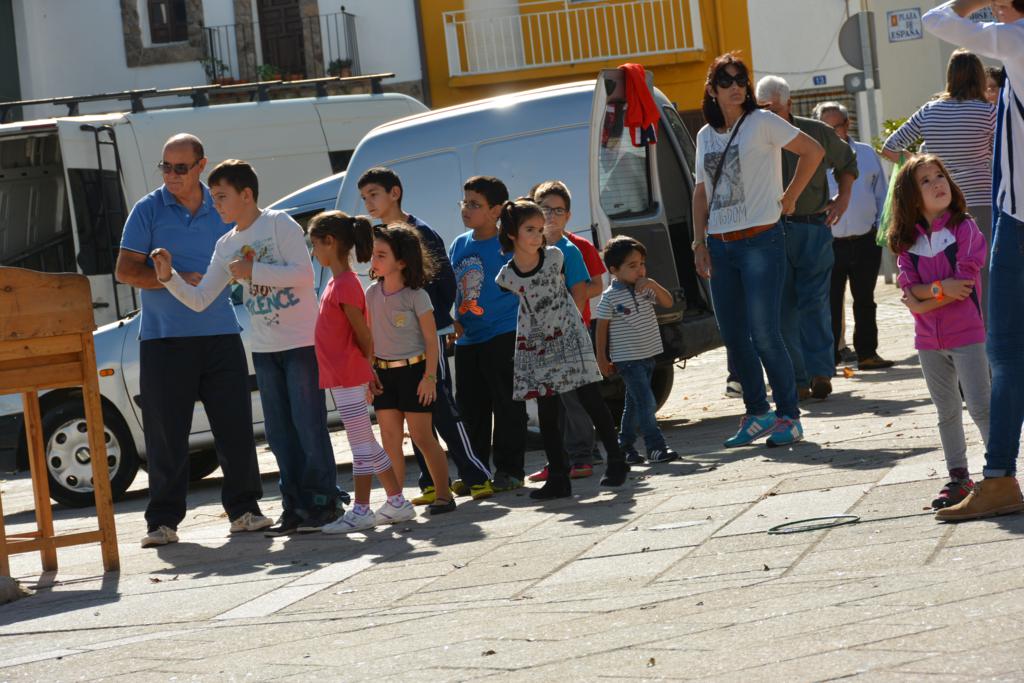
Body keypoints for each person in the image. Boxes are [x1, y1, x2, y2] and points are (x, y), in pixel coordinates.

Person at [151, 159, 342, 535]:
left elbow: (305, 276)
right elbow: (201, 299)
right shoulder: (225, 244)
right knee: (279, 434)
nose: (216, 204)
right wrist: (168, 277)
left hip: (301, 343)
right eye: (213, 197)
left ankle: (324, 504)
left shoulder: (279, 223)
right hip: (265, 350)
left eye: (222, 196)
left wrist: (254, 271)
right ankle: (294, 507)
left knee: (308, 426)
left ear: (247, 194)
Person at [116, 135, 270, 548]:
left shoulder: (222, 207)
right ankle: (162, 522)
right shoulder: (147, 209)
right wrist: (171, 280)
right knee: (166, 436)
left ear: (201, 165)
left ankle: (245, 511)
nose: (171, 175)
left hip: (220, 334)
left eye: (180, 168)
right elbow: (125, 271)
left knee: (235, 428)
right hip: (164, 339)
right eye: (165, 166)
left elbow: (251, 248)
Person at [692, 54, 824, 448]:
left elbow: (813, 151)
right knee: (734, 337)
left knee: (765, 334)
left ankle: (789, 416)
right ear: (712, 90)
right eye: (726, 80)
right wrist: (699, 242)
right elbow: (700, 191)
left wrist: (791, 196)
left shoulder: (762, 121)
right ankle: (757, 412)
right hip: (720, 244)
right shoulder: (705, 135)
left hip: (760, 241)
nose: (736, 86)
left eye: (741, 80)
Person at [924, 0, 1024, 521]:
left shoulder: (1017, 39)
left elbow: (936, 20)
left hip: (1019, 220)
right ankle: (998, 476)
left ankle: (1000, 479)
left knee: (1005, 353)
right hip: (1010, 215)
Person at [357, 167, 493, 505]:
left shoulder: (422, 231)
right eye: (363, 197)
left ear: (395, 193)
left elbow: (444, 281)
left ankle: (476, 474)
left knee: (441, 407)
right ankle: (430, 482)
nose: (368, 202)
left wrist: (439, 321)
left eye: (373, 194)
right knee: (413, 418)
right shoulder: (378, 236)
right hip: (395, 355)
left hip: (427, 342)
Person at [495, 199, 630, 499]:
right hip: (537, 345)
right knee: (547, 412)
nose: (537, 235)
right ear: (512, 233)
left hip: (568, 336)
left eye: (539, 229)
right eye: (529, 229)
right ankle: (558, 475)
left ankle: (616, 459)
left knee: (591, 399)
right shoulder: (507, 276)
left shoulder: (555, 256)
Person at [304, 212, 416, 532]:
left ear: (330, 242)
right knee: (365, 440)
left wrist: (368, 368)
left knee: (360, 446)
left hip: (348, 375)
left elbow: (363, 334)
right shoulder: (337, 282)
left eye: (315, 244)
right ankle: (397, 501)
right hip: (343, 376)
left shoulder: (345, 284)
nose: (313, 252)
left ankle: (361, 509)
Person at [889, 154, 990, 510]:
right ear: (911, 197)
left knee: (981, 407)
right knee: (946, 412)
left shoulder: (965, 228)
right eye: (926, 180)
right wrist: (936, 290)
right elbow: (908, 290)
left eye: (939, 176)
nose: (937, 184)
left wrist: (923, 299)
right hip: (928, 342)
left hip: (967, 335)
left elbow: (962, 286)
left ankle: (1000, 474)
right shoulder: (906, 241)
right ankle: (958, 477)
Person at [756, 75, 858, 401]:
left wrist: (844, 198)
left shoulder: (816, 132)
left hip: (813, 227)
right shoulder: (753, 136)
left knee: (814, 302)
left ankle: (820, 372)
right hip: (770, 232)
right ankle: (797, 379)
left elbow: (847, 162)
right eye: (761, 108)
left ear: (788, 103)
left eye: (772, 108)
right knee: (783, 306)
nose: (766, 114)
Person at [882, 48, 996, 305]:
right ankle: (983, 325)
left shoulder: (929, 111)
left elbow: (890, 147)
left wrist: (922, 165)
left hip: (937, 205)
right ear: (979, 77)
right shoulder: (988, 112)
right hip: (980, 200)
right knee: (982, 272)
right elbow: (1003, 152)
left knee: (943, 269)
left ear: (950, 76)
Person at [366, 223, 455, 515]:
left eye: (381, 255)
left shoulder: (417, 296)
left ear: (402, 261)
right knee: (390, 440)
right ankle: (396, 502)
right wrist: (369, 373)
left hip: (414, 374)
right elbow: (369, 338)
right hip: (383, 375)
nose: (374, 260)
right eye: (373, 254)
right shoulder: (371, 294)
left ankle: (444, 495)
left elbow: (431, 341)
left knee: (422, 437)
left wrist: (429, 378)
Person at [450, 176, 528, 492]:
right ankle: (476, 471)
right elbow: (450, 288)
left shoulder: (508, 245)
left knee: (507, 406)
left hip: (504, 334)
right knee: (470, 409)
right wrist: (450, 319)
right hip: (468, 339)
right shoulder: (459, 244)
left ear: (496, 210)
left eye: (475, 204)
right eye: (465, 202)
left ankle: (510, 471)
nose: (466, 209)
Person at [527, 180, 604, 481]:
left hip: (568, 333)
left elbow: (590, 288)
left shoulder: (574, 248)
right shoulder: (529, 249)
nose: (550, 215)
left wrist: (564, 313)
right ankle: (557, 460)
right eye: (544, 208)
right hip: (539, 337)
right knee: (550, 403)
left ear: (568, 215)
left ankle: (583, 455)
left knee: (574, 399)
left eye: (558, 210)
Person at [813, 102, 895, 371]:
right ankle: (829, 360)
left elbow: (881, 193)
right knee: (829, 303)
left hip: (865, 240)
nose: (833, 132)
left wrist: (881, 228)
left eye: (837, 126)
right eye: (826, 128)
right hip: (829, 242)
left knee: (865, 300)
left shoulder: (866, 153)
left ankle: (867, 354)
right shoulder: (813, 157)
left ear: (847, 125)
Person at [595, 236, 679, 465]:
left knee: (634, 405)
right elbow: (601, 328)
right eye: (632, 266)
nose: (640, 270)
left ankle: (625, 447)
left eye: (642, 264)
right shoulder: (610, 297)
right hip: (628, 360)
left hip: (648, 357)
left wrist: (653, 285)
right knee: (647, 402)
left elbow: (668, 302)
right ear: (613, 270)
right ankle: (655, 447)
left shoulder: (644, 289)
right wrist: (601, 357)